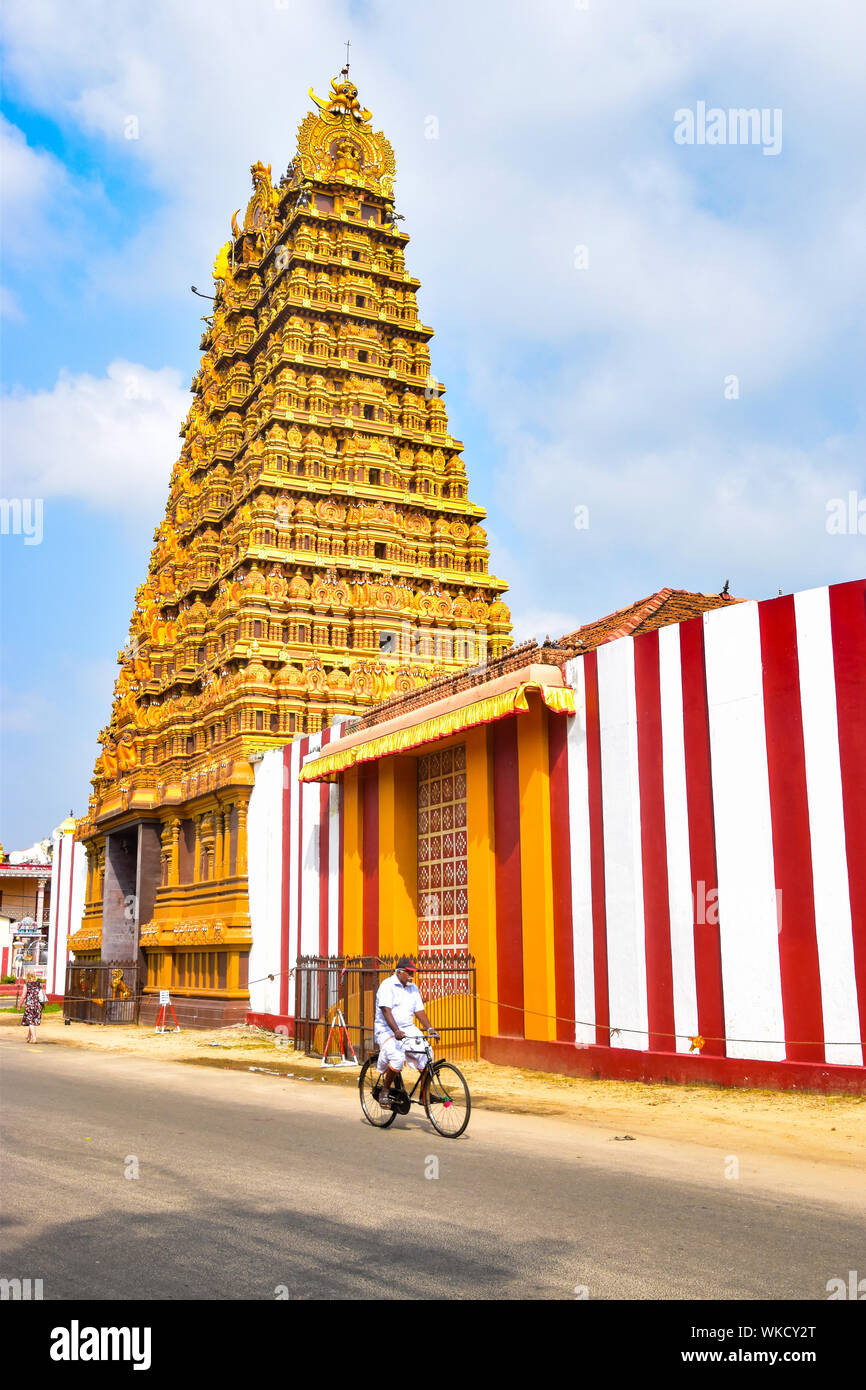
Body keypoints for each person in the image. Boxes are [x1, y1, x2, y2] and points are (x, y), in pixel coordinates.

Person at [374, 957, 438, 1108]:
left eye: (413, 973)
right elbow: (385, 1010)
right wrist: (396, 1030)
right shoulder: (387, 986)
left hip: (408, 1028)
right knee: (397, 1056)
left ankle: (424, 1094)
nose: (411, 976)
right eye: (409, 973)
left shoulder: (413, 988)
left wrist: (430, 1028)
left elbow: (419, 1011)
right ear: (399, 972)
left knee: (427, 1053)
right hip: (387, 1029)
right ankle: (385, 1090)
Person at [21, 977, 46, 1043]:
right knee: (33, 1021)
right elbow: (42, 995)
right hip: (38, 1006)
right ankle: (29, 1037)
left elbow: (23, 996)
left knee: (30, 1022)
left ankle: (34, 1038)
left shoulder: (27, 985)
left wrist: (19, 1005)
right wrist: (43, 1005)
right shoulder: (39, 984)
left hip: (30, 1006)